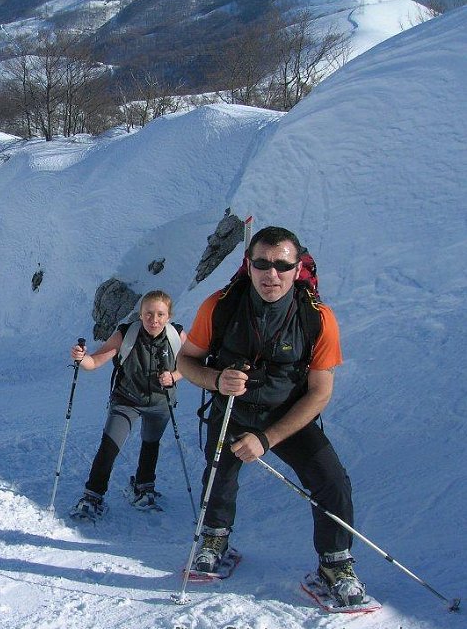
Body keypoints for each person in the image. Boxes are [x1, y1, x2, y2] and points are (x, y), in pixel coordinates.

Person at [177, 225, 365, 606]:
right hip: (232, 409)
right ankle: (213, 538)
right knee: (219, 474)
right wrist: (215, 379)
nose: (271, 274)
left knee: (331, 482)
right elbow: (186, 360)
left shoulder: (318, 318)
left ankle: (335, 563)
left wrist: (266, 439)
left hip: (288, 415)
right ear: (249, 265)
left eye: (282, 265)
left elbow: (320, 392)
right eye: (261, 263)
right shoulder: (221, 305)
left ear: (298, 268)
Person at [69, 290, 187, 520]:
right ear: (140, 314)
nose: (154, 319)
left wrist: (174, 376)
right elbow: (94, 362)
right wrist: (81, 358)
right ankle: (93, 495)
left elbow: (193, 364)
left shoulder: (177, 335)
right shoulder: (127, 334)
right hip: (127, 399)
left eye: (160, 314)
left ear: (169, 316)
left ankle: (143, 487)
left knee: (151, 444)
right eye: (148, 313)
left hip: (160, 401)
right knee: (110, 445)